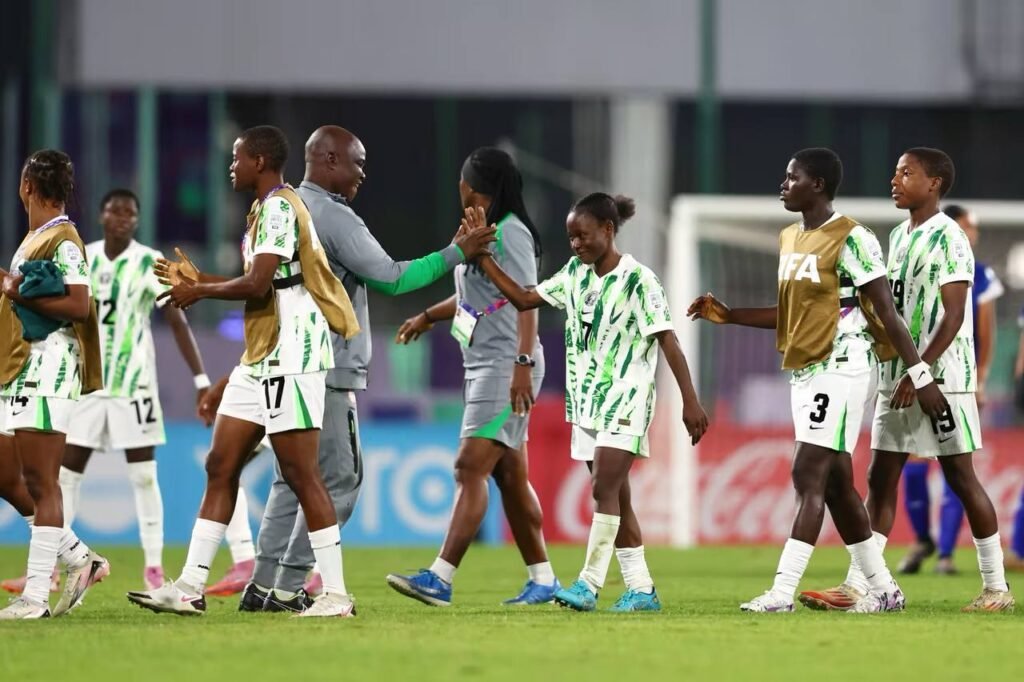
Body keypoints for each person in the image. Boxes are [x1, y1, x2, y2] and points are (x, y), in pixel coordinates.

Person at [231, 126, 497, 613]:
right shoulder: (331, 215)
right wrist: (458, 252)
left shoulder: (281, 207)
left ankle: (263, 586)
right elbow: (393, 279)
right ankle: (288, 589)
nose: (363, 174)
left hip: (282, 360)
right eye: (358, 163)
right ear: (329, 160)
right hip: (326, 367)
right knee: (339, 482)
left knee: (290, 478)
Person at [689, 148, 946, 613]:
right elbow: (791, 313)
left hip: (844, 365)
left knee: (806, 471)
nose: (783, 185)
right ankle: (885, 590)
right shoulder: (789, 237)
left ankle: (782, 593)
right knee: (836, 485)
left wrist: (919, 373)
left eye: (792, 178)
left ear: (819, 185)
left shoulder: (853, 237)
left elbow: (885, 311)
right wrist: (729, 316)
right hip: (804, 369)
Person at [125, 125, 360, 618]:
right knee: (220, 465)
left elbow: (257, 285)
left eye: (236, 158)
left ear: (259, 161)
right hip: (261, 356)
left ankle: (336, 596)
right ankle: (189, 587)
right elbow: (262, 281)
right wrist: (200, 280)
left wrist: (201, 292)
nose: (231, 166)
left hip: (292, 354)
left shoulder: (278, 206)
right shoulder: (262, 210)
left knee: (301, 473)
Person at [468, 191, 708, 612]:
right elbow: (526, 299)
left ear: (608, 230)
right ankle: (641, 589)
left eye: (583, 235)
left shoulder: (639, 280)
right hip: (587, 403)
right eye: (571, 237)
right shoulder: (574, 275)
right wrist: (484, 258)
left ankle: (588, 584)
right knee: (617, 498)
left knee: (602, 488)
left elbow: (667, 340)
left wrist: (689, 401)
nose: (576, 244)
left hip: (627, 397)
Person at [800, 148, 1015, 612]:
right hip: (897, 377)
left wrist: (924, 373)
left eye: (906, 173)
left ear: (934, 183)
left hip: (943, 380)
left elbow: (955, 315)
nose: (894, 180)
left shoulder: (951, 237)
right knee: (880, 476)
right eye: (895, 171)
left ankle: (996, 587)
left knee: (960, 477)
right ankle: (863, 585)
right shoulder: (898, 235)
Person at [0, 189, 209, 595]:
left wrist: (200, 377)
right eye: (115, 211)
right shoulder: (83, 254)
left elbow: (176, 319)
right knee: (64, 476)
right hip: (88, 384)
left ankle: (152, 566)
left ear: (137, 219)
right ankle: (62, 564)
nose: (122, 219)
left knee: (144, 476)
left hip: (134, 385)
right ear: (101, 216)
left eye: (130, 213)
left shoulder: (150, 261)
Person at [386, 147, 560, 607]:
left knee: (468, 466)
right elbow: (476, 295)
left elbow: (527, 298)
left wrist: (522, 365)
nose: (459, 189)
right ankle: (543, 579)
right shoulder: (484, 231)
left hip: (505, 365)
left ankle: (439, 578)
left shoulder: (511, 234)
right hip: (485, 363)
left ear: (473, 186)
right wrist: (428, 315)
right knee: (509, 476)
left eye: (463, 183)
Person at [0, 149, 109, 619]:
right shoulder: (36, 238)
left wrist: (16, 290)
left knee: (43, 482)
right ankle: (81, 558)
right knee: (7, 474)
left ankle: (36, 598)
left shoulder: (64, 239)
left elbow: (80, 306)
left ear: (27, 186)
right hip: (23, 366)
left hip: (49, 367)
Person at [898, 204, 1004, 576]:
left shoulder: (981, 273)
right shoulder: (920, 254)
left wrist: (981, 380)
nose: (972, 233)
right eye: (968, 226)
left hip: (956, 378)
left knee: (955, 468)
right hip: (915, 371)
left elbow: (985, 332)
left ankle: (945, 553)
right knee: (907, 464)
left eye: (973, 228)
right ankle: (921, 540)